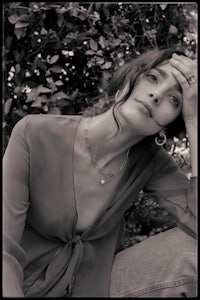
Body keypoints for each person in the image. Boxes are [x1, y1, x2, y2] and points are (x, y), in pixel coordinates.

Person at [3, 45, 197, 297]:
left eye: (175, 100)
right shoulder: (34, 134)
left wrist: (194, 120)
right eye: (152, 78)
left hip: (96, 286)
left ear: (171, 123)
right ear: (130, 80)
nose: (157, 95)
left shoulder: (152, 163)